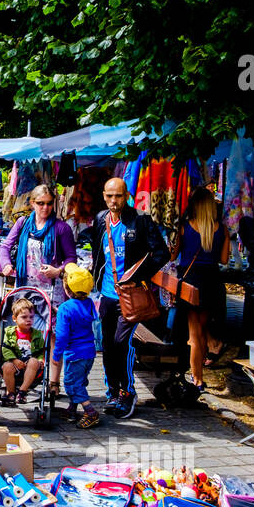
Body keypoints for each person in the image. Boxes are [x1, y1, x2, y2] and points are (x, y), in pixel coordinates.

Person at [90, 176, 169, 420]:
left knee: (121, 343)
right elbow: (97, 253)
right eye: (110, 196)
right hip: (107, 294)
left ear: (126, 196)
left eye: (119, 196)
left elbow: (161, 253)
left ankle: (127, 392)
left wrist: (138, 276)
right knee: (107, 345)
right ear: (104, 196)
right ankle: (112, 391)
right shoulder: (100, 220)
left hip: (130, 296)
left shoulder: (140, 221)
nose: (114, 201)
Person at [176, 187, 230, 392]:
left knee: (195, 334)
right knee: (201, 330)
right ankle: (198, 374)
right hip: (212, 282)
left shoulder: (185, 226)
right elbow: (224, 260)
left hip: (191, 282)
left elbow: (173, 256)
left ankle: (197, 378)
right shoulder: (221, 229)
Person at [0, 184, 77, 311]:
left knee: (50, 329)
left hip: (52, 291)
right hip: (24, 289)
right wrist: (6, 264)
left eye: (49, 203)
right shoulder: (22, 223)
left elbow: (71, 258)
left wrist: (58, 271)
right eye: (41, 203)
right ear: (32, 203)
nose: (45, 207)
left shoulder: (62, 228)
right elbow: (5, 247)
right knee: (26, 326)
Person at [49, 264, 100, 428]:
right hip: (89, 353)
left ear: (67, 288)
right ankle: (72, 409)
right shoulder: (90, 303)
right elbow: (79, 315)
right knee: (80, 381)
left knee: (72, 383)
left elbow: (62, 336)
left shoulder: (66, 308)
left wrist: (56, 355)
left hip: (74, 354)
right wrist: (61, 311)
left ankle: (90, 412)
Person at [0, 298, 45, 404]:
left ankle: (22, 391)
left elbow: (40, 351)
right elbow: (6, 349)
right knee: (7, 366)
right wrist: (14, 360)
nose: (28, 320)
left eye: (31, 317)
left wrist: (41, 360)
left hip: (31, 367)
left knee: (34, 361)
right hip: (14, 364)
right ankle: (11, 393)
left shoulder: (37, 334)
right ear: (14, 318)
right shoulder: (9, 333)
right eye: (24, 317)